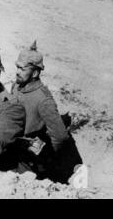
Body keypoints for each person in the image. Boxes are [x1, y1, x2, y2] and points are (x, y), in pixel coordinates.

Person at [11, 41, 83, 183]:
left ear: (35, 73)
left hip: (31, 154)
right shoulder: (17, 86)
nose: (17, 72)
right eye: (17, 67)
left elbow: (60, 136)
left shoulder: (43, 99)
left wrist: (47, 156)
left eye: (22, 68)